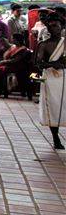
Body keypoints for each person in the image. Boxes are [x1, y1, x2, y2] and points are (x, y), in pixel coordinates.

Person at [35, 10, 65, 150]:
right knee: (53, 108)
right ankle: (55, 138)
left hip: (64, 77)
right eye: (51, 26)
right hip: (51, 79)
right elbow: (38, 63)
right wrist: (53, 64)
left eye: (56, 25)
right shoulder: (43, 44)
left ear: (62, 26)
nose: (54, 28)